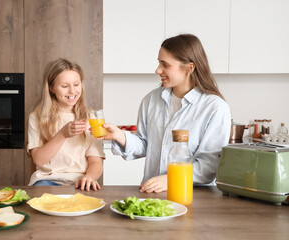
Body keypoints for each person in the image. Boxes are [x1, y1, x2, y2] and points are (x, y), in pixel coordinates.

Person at [102, 34, 231, 193]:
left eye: (165, 64)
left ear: (189, 68)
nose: (158, 70)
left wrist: (171, 179)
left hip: (194, 196)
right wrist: (119, 135)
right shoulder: (151, 100)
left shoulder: (214, 107)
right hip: (152, 194)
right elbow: (145, 144)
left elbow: (209, 166)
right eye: (159, 63)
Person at [27, 58, 105, 191]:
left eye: (76, 84)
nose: (72, 91)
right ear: (51, 88)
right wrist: (62, 134)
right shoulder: (37, 117)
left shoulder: (91, 118)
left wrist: (90, 177)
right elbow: (39, 160)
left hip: (80, 182)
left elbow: (96, 161)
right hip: (46, 181)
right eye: (64, 86)